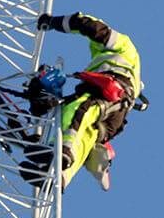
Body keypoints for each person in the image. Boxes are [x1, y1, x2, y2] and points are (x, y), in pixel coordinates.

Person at [31, 11, 146, 190]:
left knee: (77, 111)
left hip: (109, 91)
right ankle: (61, 177)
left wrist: (52, 22)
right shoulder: (129, 67)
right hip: (116, 116)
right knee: (86, 135)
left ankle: (63, 151)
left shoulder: (123, 46)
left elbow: (86, 24)